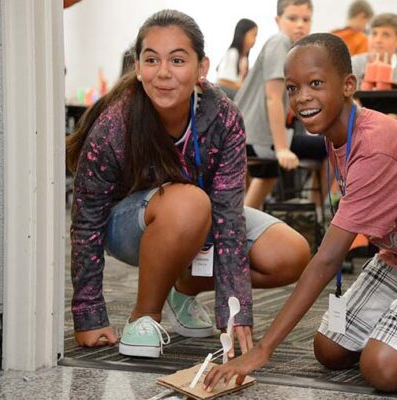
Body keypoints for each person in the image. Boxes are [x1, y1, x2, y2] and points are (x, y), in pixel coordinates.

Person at [204, 33, 397, 393]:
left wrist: (263, 350)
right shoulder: (336, 131)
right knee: (330, 349)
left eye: (316, 84)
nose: (302, 98)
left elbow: (327, 260)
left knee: (382, 369)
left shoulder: (375, 147)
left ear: (348, 85)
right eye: (294, 88)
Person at [66, 9, 310, 359]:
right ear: (138, 67)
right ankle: (145, 316)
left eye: (178, 60)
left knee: (290, 253)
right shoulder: (116, 123)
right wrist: (87, 313)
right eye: (151, 60)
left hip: (201, 217)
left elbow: (227, 213)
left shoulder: (223, 115)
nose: (163, 73)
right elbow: (87, 219)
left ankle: (183, 286)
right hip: (127, 226)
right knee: (190, 202)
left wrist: (233, 309)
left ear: (202, 69)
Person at [235, 0, 328, 210]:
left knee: (267, 177)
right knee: (333, 146)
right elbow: (273, 98)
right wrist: (282, 149)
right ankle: (317, 212)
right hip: (257, 135)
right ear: (278, 20)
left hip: (251, 133)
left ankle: (243, 224)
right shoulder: (280, 42)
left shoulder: (293, 50)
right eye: (292, 18)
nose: (300, 25)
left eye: (305, 19)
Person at [351, 13, 397, 131]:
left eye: (386, 35)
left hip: (396, 134)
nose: (378, 40)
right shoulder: (353, 65)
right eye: (374, 33)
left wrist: (395, 123)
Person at [216, 18, 258, 99]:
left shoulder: (245, 59)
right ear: (243, 34)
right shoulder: (232, 53)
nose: (255, 39)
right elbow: (222, 81)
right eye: (253, 35)